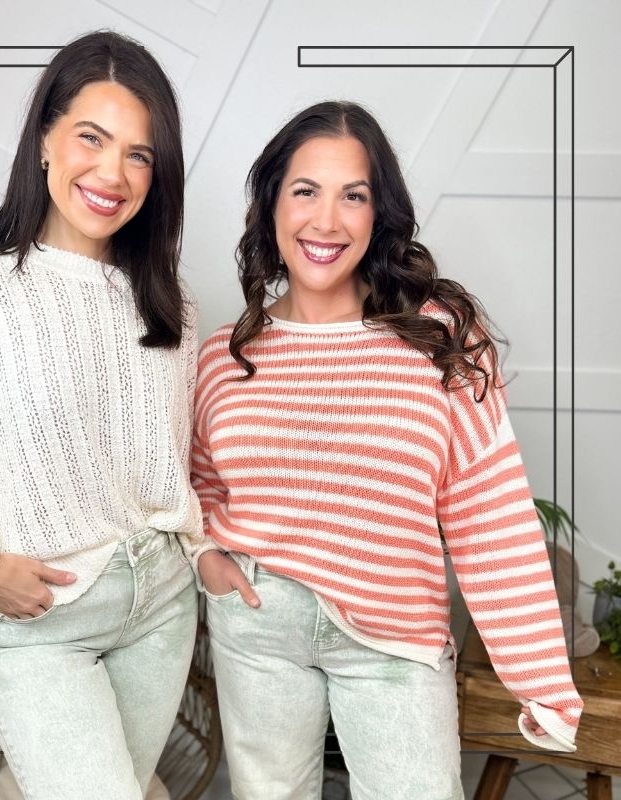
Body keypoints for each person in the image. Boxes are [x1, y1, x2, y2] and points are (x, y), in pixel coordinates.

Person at [191, 101, 583, 799]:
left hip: (394, 637)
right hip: (257, 626)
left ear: (380, 216)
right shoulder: (225, 353)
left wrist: (541, 682)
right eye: (305, 190)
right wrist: (205, 557)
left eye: (355, 196)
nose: (326, 220)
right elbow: (196, 482)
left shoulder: (438, 336)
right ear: (272, 204)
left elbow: (486, 509)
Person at [0, 30, 213, 800]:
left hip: (160, 604)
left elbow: (180, 460)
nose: (113, 172)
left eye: (139, 154)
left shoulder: (174, 306)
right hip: (33, 616)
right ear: (43, 140)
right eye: (90, 139)